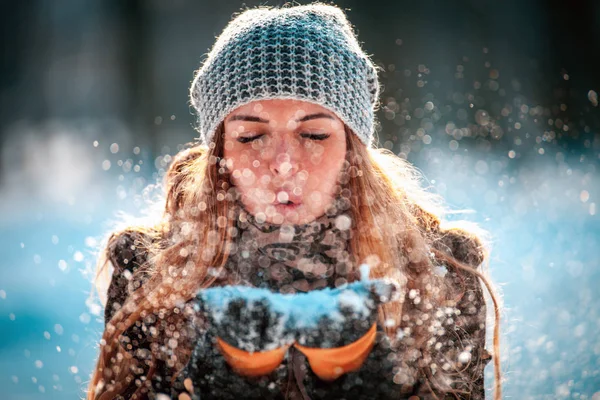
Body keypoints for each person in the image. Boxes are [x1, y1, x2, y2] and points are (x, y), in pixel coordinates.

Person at [86, 3, 502, 399]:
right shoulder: (151, 271)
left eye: (314, 134)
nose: (284, 164)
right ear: (220, 155)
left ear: (351, 149)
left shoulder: (439, 271)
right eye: (251, 137)